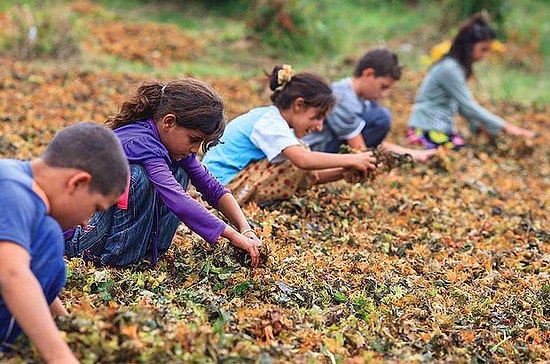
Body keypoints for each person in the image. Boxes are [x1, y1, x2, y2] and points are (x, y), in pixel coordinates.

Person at [65, 78, 262, 268]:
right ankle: (117, 261)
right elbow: (179, 200)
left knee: (180, 171)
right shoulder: (141, 142)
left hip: (102, 233)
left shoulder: (171, 146)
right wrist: (233, 236)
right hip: (80, 241)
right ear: (169, 122)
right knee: (137, 177)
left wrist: (245, 228)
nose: (195, 149)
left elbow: (213, 188)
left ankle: (147, 252)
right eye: (193, 139)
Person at [0, 122, 128, 362]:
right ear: (77, 183)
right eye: (94, 208)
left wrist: (68, 326)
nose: (86, 222)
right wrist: (61, 357)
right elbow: (12, 274)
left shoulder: (17, 180)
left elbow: (34, 276)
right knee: (49, 238)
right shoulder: (12, 190)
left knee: (49, 247)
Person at [201, 65, 377, 206]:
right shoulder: (269, 122)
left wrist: (343, 171)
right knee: (296, 159)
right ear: (299, 105)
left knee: (298, 156)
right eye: (317, 117)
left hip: (224, 183)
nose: (319, 126)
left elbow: (306, 172)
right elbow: (303, 162)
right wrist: (352, 160)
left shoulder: (275, 121)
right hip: (219, 188)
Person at [406, 13, 535, 150]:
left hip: (439, 127)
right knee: (461, 154)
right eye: (483, 49)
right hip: (427, 128)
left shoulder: (456, 68)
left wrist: (480, 127)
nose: (485, 55)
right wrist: (507, 127)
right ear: (468, 46)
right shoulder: (449, 69)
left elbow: (462, 107)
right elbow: (468, 105)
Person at [302, 48, 436, 162]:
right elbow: (359, 148)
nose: (384, 94)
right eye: (383, 87)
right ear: (368, 74)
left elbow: (372, 142)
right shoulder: (342, 97)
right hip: (316, 150)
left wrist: (414, 155)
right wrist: (370, 167)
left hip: (333, 146)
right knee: (382, 118)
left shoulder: (364, 100)